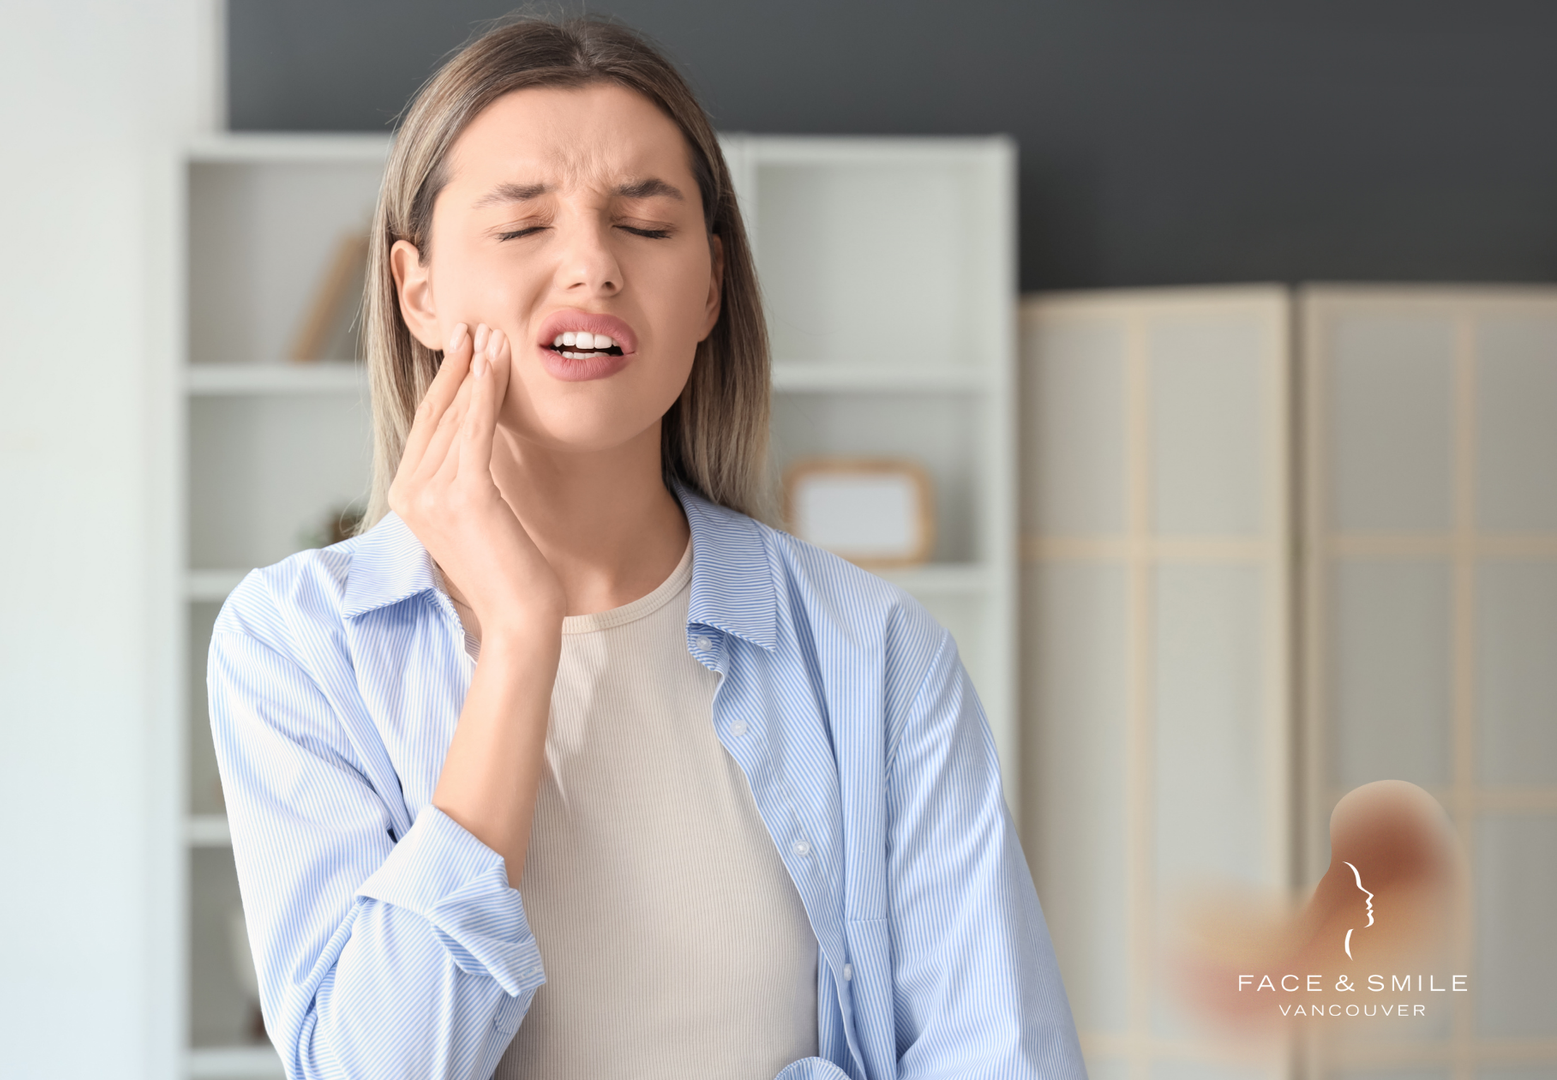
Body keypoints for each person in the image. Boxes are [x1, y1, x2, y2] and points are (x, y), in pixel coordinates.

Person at [208, 13, 1084, 1080]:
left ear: (711, 286)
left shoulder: (878, 656)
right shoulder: (299, 644)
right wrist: (523, 642)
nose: (591, 265)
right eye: (523, 225)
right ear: (418, 289)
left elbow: (1002, 1057)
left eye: (646, 224)